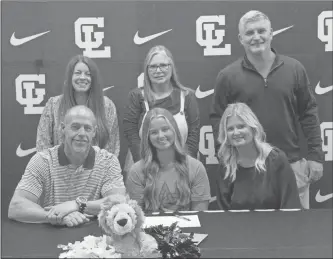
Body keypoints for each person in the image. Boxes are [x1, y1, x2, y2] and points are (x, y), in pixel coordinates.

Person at [210, 10, 324, 209]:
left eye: (261, 31)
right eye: (250, 33)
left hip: (291, 165)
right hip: (245, 170)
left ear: (272, 33)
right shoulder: (227, 76)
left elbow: (308, 113)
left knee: (295, 233)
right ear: (241, 38)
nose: (256, 37)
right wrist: (227, 158)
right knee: (247, 234)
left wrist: (315, 156)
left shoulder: (294, 69)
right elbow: (218, 120)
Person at [8, 106, 126, 227]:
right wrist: (59, 216)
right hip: (51, 234)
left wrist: (77, 205)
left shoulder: (108, 161)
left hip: (93, 238)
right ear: (63, 128)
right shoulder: (43, 161)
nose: (81, 133)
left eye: (87, 128)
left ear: (94, 132)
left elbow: (119, 201)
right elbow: (16, 207)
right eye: (75, 127)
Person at [123, 45, 200, 179]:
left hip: (182, 168)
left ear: (172, 68)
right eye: (152, 67)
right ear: (146, 70)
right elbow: (132, 136)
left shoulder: (187, 96)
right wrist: (144, 168)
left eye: (163, 65)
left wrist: (182, 167)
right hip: (143, 168)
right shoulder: (136, 97)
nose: (158, 70)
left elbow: (194, 135)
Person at [216, 103, 301, 210]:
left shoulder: (276, 160)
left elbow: (290, 206)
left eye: (241, 126)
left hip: (276, 225)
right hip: (238, 226)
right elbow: (223, 213)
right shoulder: (226, 165)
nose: (236, 132)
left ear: (253, 128)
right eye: (230, 129)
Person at [126, 108, 211, 213]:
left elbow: (200, 215)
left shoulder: (196, 167)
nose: (161, 136)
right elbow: (136, 216)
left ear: (174, 130)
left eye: (165, 129)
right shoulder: (136, 171)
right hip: (150, 228)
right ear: (147, 137)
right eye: (154, 132)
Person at [36, 54, 120, 157]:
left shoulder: (107, 106)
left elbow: (112, 146)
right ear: (70, 76)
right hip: (58, 170)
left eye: (88, 74)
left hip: (98, 170)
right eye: (78, 73)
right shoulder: (53, 105)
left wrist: (100, 169)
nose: (82, 78)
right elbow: (42, 144)